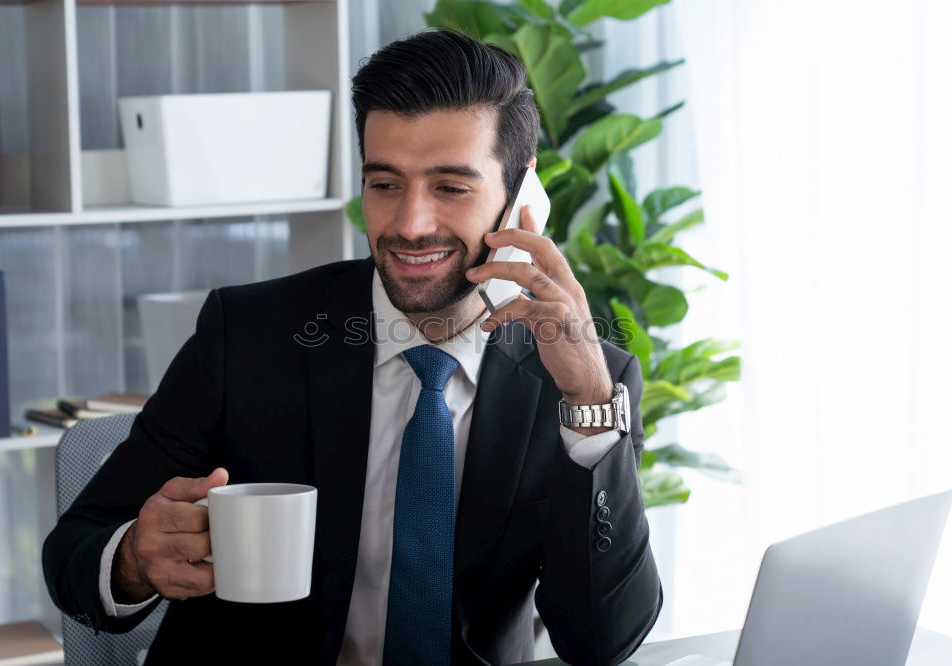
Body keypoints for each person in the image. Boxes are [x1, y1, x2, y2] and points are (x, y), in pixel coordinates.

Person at [42, 28, 662, 665]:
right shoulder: (249, 333)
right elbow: (73, 553)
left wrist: (589, 403)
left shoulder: (585, 382)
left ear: (521, 196)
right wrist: (135, 562)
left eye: (451, 187)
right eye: (385, 184)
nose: (410, 225)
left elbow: (603, 641)